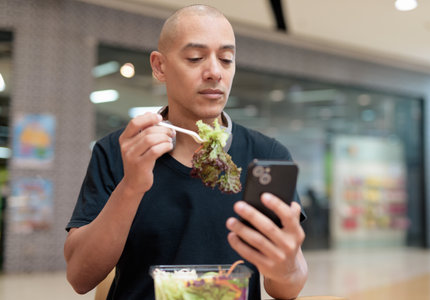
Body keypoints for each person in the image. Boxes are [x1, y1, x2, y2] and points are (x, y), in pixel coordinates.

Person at [64, 4, 308, 300]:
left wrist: (288, 264)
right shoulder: (118, 150)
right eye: (195, 58)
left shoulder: (266, 156)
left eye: (226, 59)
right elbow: (80, 277)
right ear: (159, 66)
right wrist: (131, 186)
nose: (215, 72)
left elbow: (286, 288)